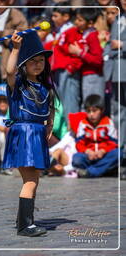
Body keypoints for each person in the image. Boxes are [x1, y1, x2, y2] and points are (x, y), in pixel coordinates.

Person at [2, 30, 56, 236]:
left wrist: (49, 123)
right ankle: (25, 226)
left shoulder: (43, 86)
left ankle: (23, 220)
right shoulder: (18, 85)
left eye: (41, 60)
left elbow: (49, 109)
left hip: (36, 134)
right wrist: (15, 49)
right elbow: (9, 71)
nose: (38, 64)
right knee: (31, 181)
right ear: (24, 64)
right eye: (32, 60)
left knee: (34, 180)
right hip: (24, 134)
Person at [103, 0, 126, 180]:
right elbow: (111, 46)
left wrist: (122, 45)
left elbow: (117, 44)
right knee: (118, 113)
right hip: (117, 72)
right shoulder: (118, 18)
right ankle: (120, 153)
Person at [72, 94, 120, 178]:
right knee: (77, 158)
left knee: (118, 154)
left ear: (102, 110)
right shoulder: (83, 124)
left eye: (94, 111)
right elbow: (79, 143)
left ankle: (90, 172)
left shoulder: (108, 123)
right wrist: (87, 151)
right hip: (89, 156)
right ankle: (103, 170)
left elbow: (113, 143)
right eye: (88, 111)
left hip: (104, 155)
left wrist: (103, 151)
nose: (91, 114)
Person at [0, 0, 28, 80]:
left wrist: (0, 33)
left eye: (1, 0)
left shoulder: (16, 15)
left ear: (10, 1)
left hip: (6, 57)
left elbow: (22, 34)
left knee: (5, 84)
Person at [68, 8, 105, 102]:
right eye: (76, 19)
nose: (76, 22)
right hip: (87, 74)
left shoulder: (92, 36)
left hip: (93, 76)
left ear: (90, 23)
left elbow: (98, 60)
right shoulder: (86, 34)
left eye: (80, 20)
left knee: (92, 103)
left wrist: (79, 52)